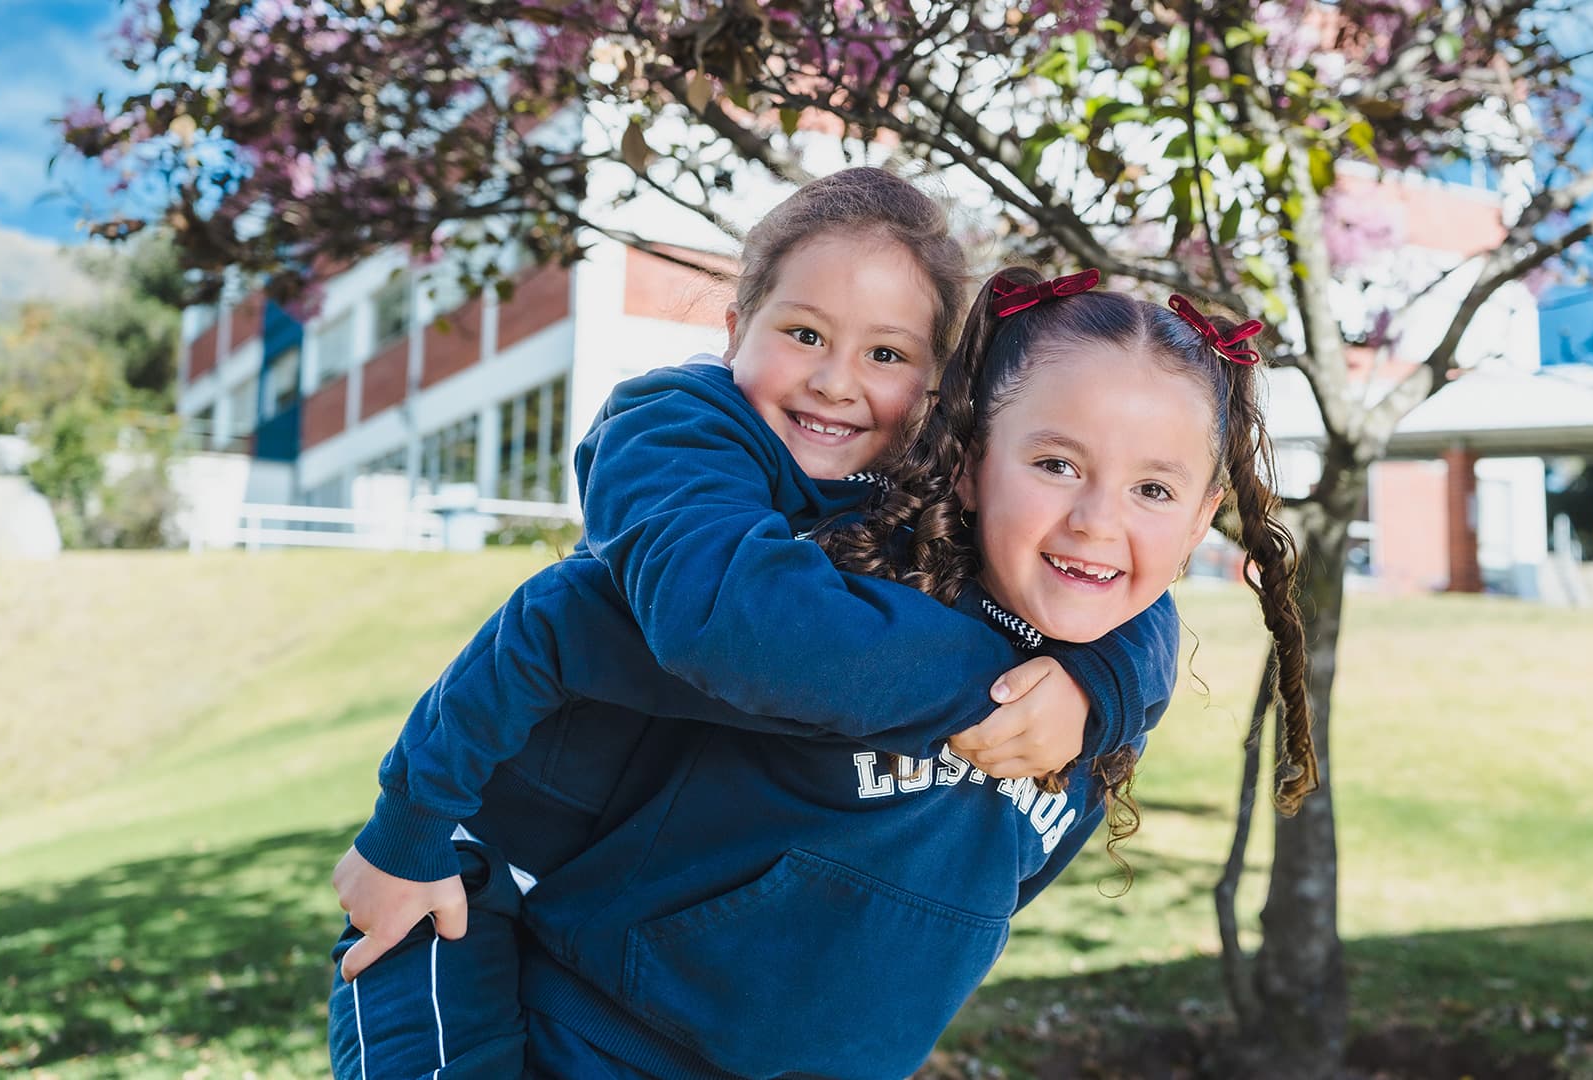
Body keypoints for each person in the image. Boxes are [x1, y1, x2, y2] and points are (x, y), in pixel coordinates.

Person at [328, 171, 1181, 1079]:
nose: (835, 380)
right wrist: (410, 825)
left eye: (888, 355)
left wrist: (1101, 682)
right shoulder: (681, 440)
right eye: (804, 332)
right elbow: (682, 625)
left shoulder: (947, 545)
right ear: (736, 329)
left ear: (939, 391)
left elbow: (1120, 587)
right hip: (478, 893)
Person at [505, 269, 1318, 1079]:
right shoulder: (850, 593)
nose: (1097, 521)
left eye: (1152, 488)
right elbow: (564, 623)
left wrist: (1102, 687)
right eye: (1057, 465)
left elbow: (981, 899)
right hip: (600, 1042)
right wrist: (419, 814)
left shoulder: (1097, 701)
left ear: (1201, 517)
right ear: (970, 463)